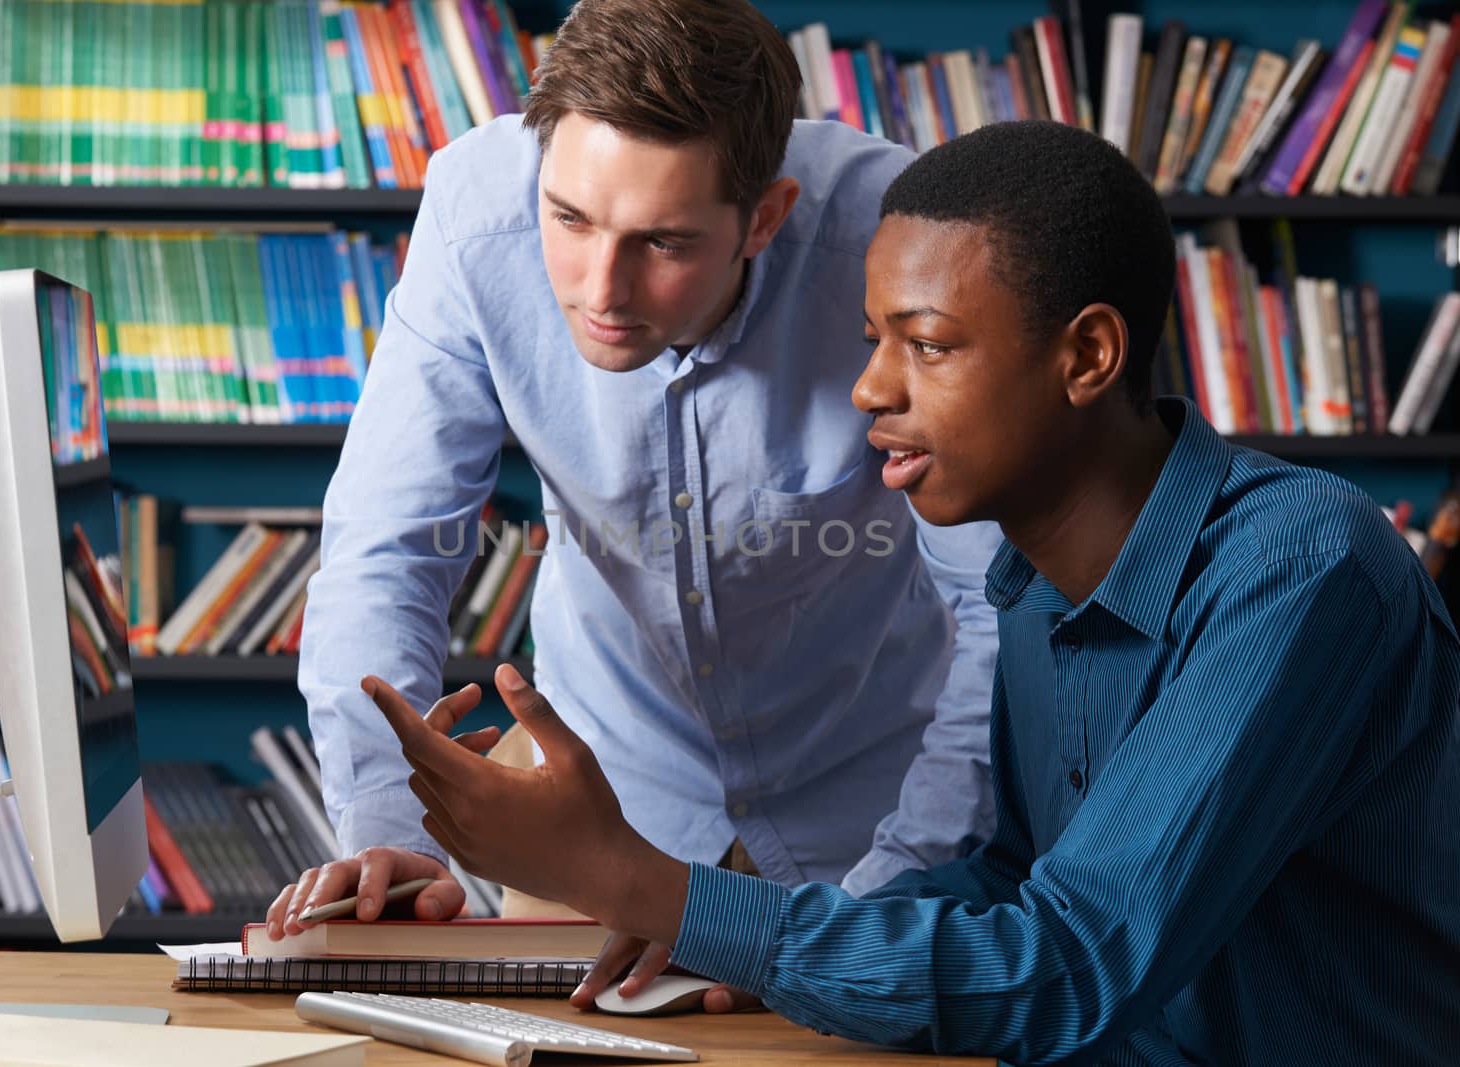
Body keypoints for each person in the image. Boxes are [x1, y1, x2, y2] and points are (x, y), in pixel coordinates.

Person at [365, 120, 1460, 1064]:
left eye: (927, 345)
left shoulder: (1299, 569)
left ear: (1085, 356)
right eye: (870, 339)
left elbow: (1066, 965)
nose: (869, 388)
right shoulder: (1031, 577)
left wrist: (631, 877)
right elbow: (1007, 878)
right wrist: (771, 951)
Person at [275, 0, 1002, 941]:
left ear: (763, 217)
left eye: (663, 243)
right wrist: (390, 824)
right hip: (599, 827)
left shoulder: (898, 238)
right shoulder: (475, 213)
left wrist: (897, 884)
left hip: (878, 814)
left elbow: (1001, 599)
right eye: (569, 220)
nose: (600, 291)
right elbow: (388, 547)